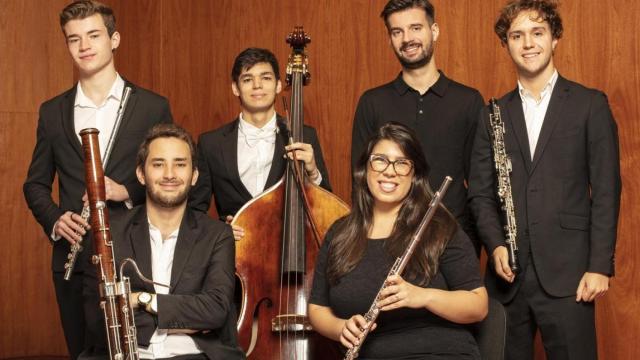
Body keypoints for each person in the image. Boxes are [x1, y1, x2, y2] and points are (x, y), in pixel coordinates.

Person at [468, 1, 621, 359]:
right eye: (517, 36)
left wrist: (599, 266)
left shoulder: (590, 105)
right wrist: (495, 245)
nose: (528, 43)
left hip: (571, 274)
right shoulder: (493, 114)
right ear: (505, 44)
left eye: (538, 33)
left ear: (555, 39)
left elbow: (607, 191)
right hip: (508, 275)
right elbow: (480, 194)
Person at [22, 1, 172, 358]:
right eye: (74, 39)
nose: (84, 46)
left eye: (93, 35)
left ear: (114, 39)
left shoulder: (152, 107)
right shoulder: (53, 111)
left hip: (135, 257)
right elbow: (35, 184)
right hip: (74, 262)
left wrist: (126, 190)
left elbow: (174, 177)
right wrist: (56, 219)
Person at [309, 122, 488, 359]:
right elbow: (318, 308)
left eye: (402, 163)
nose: (390, 171)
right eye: (380, 160)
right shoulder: (340, 233)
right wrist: (340, 328)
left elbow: (478, 306)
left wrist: (423, 296)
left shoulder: (439, 227)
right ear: (365, 168)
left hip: (438, 353)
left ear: (414, 175)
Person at [83, 124, 244, 359]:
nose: (169, 174)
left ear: (194, 175)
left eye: (180, 164)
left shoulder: (218, 235)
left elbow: (215, 311)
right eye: (158, 164)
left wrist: (140, 299)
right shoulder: (109, 233)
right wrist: (187, 312)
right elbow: (99, 318)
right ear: (141, 174)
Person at [351, 0, 484, 254]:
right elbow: (360, 184)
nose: (407, 38)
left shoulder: (468, 101)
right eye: (397, 32)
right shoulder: (372, 102)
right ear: (389, 39)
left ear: (434, 31)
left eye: (415, 28)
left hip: (451, 243)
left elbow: (478, 187)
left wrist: (468, 244)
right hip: (386, 244)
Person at [189, 47, 331, 239]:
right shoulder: (210, 143)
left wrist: (313, 172)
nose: (257, 85)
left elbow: (327, 208)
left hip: (289, 251)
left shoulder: (304, 135)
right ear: (235, 88)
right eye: (247, 79)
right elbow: (194, 210)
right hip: (233, 255)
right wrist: (219, 231)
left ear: (279, 85)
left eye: (266, 78)